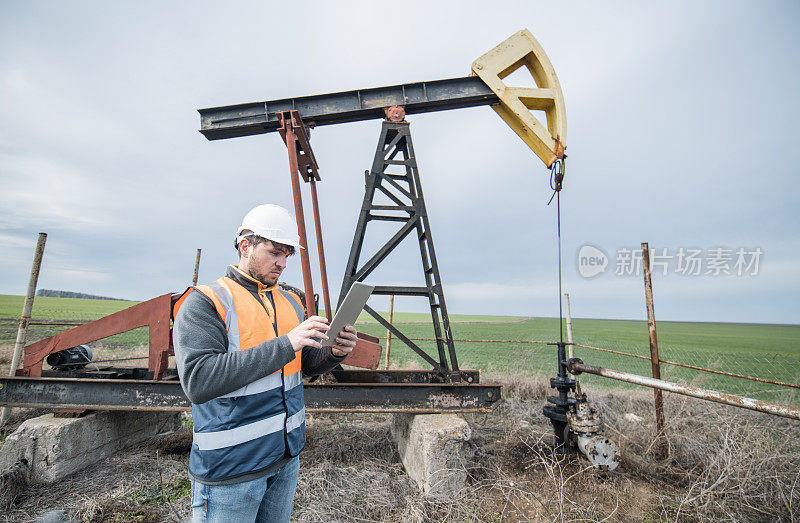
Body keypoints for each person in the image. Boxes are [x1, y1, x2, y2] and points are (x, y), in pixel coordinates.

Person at [172, 204, 358, 522]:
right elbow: (198, 381)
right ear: (245, 246)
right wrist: (287, 344)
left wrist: (334, 353)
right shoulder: (205, 301)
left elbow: (303, 365)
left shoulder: (290, 300)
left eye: (287, 255)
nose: (283, 263)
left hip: (284, 458)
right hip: (231, 469)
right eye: (275, 252)